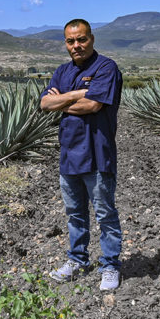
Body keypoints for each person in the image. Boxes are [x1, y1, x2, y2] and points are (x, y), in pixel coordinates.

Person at [39, 18, 123, 291]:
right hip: (69, 155)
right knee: (75, 214)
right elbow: (44, 103)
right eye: (71, 41)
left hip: (98, 154)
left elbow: (92, 105)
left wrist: (61, 101)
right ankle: (77, 260)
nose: (76, 45)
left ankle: (110, 266)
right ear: (66, 43)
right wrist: (76, 93)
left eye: (81, 39)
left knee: (104, 214)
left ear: (92, 39)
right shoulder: (62, 71)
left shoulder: (106, 67)